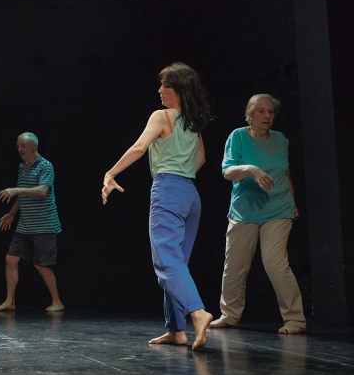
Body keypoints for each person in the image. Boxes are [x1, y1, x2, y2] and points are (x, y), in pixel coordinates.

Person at [101, 62, 215, 350]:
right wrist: (182, 175)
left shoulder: (162, 116)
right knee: (177, 262)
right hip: (190, 194)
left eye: (165, 85)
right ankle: (176, 329)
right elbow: (201, 159)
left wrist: (111, 173)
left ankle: (198, 312)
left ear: (179, 90)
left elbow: (139, 147)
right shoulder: (191, 123)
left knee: (166, 260)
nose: (160, 90)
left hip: (168, 189)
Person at [209, 94, 306, 335]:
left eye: (271, 112)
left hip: (279, 209)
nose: (267, 116)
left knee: (275, 262)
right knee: (235, 265)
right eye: (261, 111)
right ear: (249, 115)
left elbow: (285, 173)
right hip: (244, 210)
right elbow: (227, 172)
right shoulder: (238, 136)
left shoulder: (280, 139)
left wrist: (292, 201)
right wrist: (251, 169)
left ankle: (295, 319)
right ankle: (229, 315)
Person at [0, 132, 65, 313]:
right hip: (25, 224)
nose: (19, 149)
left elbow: (42, 191)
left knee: (41, 265)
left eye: (23, 145)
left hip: (45, 224)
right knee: (11, 259)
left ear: (34, 146)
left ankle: (57, 301)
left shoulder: (46, 166)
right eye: (18, 146)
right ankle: (10, 301)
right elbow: (22, 194)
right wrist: (11, 213)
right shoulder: (22, 167)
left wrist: (16, 190)